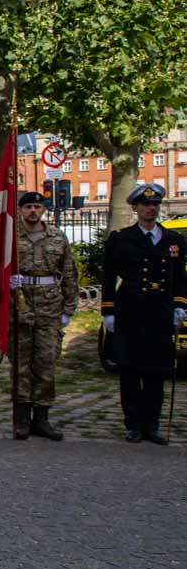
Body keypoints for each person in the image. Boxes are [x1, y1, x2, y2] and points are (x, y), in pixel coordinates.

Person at [102, 183, 186, 445]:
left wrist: (179, 305)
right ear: (135, 208)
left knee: (156, 371)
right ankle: (133, 425)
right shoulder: (121, 238)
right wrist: (108, 311)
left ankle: (153, 424)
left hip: (159, 311)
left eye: (155, 204)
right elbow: (108, 277)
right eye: (146, 205)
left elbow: (180, 277)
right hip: (131, 310)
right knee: (129, 370)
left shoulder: (174, 241)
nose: (151, 209)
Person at [8, 192, 78, 441]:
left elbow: (69, 273)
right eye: (28, 207)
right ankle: (22, 418)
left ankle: (43, 417)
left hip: (49, 308)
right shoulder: (11, 238)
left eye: (37, 206)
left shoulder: (57, 237)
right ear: (20, 210)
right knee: (21, 366)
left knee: (46, 364)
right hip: (20, 308)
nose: (33, 211)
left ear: (43, 210)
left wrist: (69, 309)